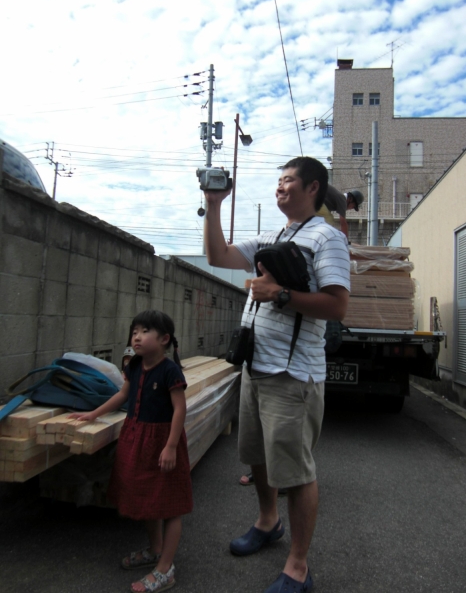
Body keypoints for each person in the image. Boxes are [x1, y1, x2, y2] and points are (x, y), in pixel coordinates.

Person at [204, 156, 350, 593]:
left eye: (288, 181)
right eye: (279, 181)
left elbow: (337, 305)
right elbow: (218, 255)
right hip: (256, 366)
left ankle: (298, 567)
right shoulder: (273, 236)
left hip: (293, 374)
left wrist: (281, 294)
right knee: (257, 456)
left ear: (312, 187)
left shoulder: (327, 238)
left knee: (296, 472)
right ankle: (268, 522)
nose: (279, 187)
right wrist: (214, 204)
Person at [68, 310, 193, 593]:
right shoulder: (134, 365)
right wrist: (93, 414)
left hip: (162, 441)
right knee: (148, 496)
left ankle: (166, 568)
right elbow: (122, 395)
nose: (136, 337)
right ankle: (155, 549)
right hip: (136, 437)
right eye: (134, 331)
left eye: (145, 331)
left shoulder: (170, 370)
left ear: (164, 339)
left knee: (171, 504)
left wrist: (171, 446)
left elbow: (179, 409)